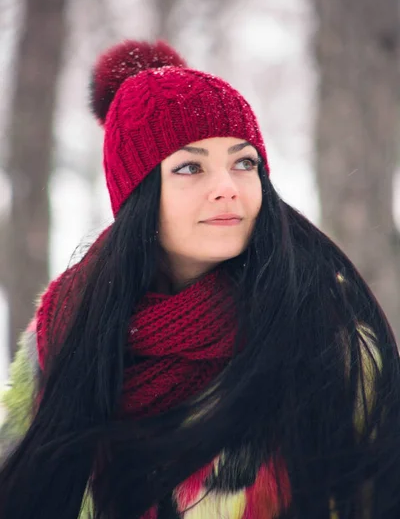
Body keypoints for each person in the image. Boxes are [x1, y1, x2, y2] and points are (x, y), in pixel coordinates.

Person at [0, 39, 399, 519]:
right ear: (137, 194)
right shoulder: (65, 337)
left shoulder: (327, 342)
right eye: (190, 167)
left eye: (244, 162)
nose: (227, 188)